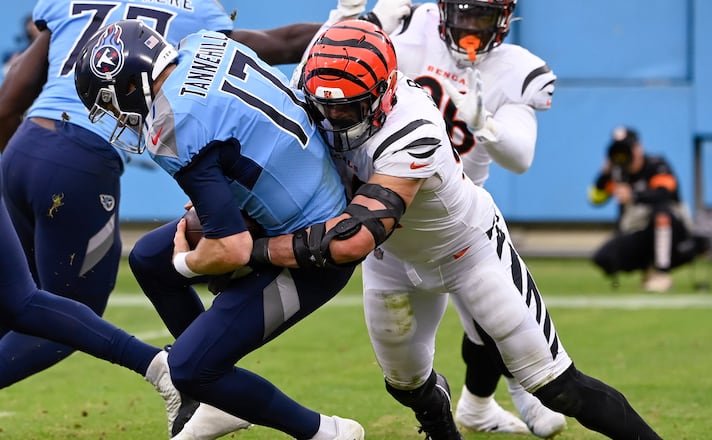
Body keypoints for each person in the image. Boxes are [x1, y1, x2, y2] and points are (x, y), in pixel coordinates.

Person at [227, 19, 662, 440]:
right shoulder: (314, 93)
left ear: (383, 94)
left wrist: (250, 249)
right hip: (393, 258)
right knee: (404, 382)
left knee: (555, 385)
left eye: (349, 105)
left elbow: (354, 236)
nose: (334, 117)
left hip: (466, 250)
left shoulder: (413, 126)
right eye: (326, 105)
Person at [0, 0, 355, 395]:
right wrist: (354, 32)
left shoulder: (72, 8)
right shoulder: (198, 30)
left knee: (19, 301)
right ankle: (188, 378)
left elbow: (10, 98)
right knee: (59, 312)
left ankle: (202, 385)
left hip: (22, 149)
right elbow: (283, 42)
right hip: (78, 166)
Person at [73, 19, 365, 440]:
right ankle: (214, 401)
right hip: (302, 199)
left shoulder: (174, 123)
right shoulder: (203, 45)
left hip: (309, 250)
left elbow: (230, 250)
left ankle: (326, 432)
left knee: (189, 366)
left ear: (132, 85)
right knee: (148, 259)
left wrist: (189, 264)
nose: (118, 116)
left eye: (112, 102)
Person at [365, 0, 566, 436]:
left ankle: (485, 401)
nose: (470, 27)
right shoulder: (413, 30)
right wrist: (368, 20)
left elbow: (521, 157)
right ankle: (492, 400)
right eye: (464, 13)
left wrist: (487, 124)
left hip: (459, 202)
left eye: (482, 17)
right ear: (442, 11)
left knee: (488, 318)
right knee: (439, 329)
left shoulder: (517, 68)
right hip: (397, 196)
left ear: (505, 20)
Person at [0, 173, 199, 436]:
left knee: (24, 303)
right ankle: (159, 365)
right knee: (22, 303)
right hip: (54, 153)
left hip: (46, 154)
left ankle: (157, 365)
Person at [588, 126, 708, 292]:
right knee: (604, 258)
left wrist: (634, 195)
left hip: (674, 232)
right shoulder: (617, 172)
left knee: (661, 212)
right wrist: (604, 172)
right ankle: (648, 267)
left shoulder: (656, 165)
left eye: (626, 147)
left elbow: (664, 194)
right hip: (639, 232)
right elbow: (595, 198)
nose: (623, 153)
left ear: (638, 148)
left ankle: (662, 273)